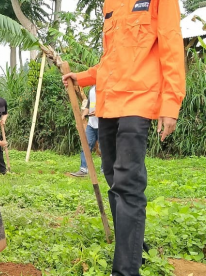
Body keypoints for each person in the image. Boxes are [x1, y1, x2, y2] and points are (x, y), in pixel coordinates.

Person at [62, 1, 186, 275]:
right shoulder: (111, 3)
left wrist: (170, 104)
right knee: (112, 178)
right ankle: (133, 248)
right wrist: (82, 77)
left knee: (127, 184)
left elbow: (171, 46)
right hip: (108, 105)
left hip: (138, 102)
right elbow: (112, 60)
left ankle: (125, 270)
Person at [70, 86, 102, 177]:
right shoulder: (92, 90)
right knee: (86, 145)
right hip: (91, 125)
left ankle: (105, 170)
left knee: (104, 148)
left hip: (102, 124)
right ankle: (83, 169)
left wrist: (99, 111)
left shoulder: (105, 88)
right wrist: (83, 115)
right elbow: (89, 105)